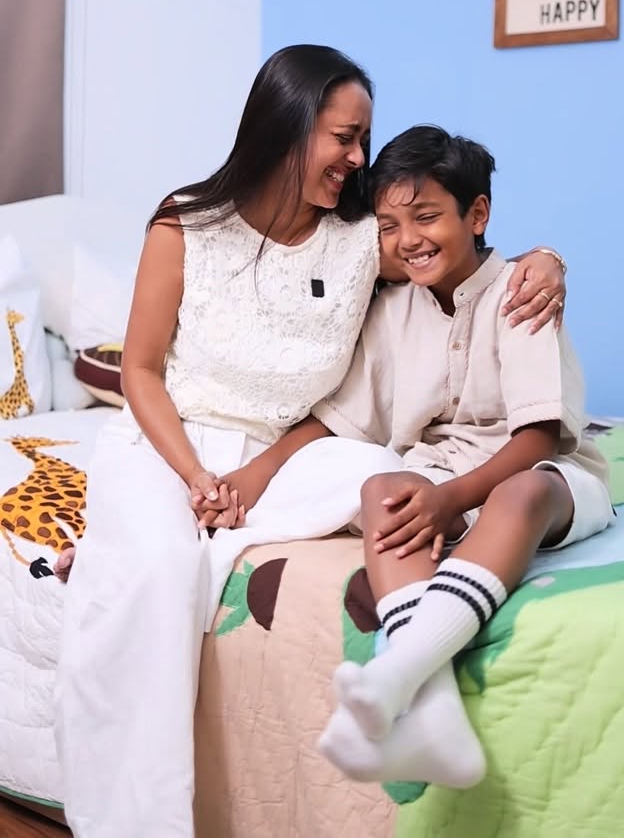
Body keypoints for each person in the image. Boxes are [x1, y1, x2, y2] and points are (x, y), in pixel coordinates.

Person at [55, 48, 566, 838]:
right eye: (345, 138)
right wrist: (193, 477)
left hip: (282, 453)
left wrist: (546, 260)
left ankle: (417, 696)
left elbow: (455, 248)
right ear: (288, 128)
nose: (358, 158)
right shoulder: (184, 223)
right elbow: (141, 371)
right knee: (155, 571)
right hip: (169, 446)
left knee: (386, 476)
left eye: (364, 139)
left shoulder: (361, 237)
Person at [311, 125, 613, 790]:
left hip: (547, 477)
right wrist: (246, 477)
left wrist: (450, 498)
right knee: (383, 490)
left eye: (426, 217)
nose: (408, 239)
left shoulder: (523, 292)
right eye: (389, 226)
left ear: (477, 214)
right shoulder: (392, 311)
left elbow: (538, 441)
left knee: (520, 492)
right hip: (441, 472)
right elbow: (339, 420)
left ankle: (396, 669)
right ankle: (437, 717)